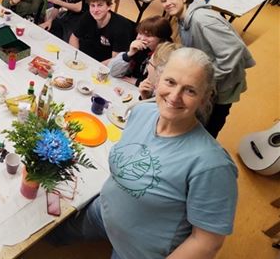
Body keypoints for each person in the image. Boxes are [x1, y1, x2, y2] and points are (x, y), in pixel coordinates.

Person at [49, 47, 238, 259]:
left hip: (137, 252)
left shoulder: (212, 165)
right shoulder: (142, 112)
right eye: (170, 82)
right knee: (50, 234)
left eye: (190, 90)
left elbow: (206, 243)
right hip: (102, 211)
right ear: (158, 80)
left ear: (204, 98)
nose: (175, 96)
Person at [156, 0, 256, 138]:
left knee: (209, 127)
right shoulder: (183, 19)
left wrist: (205, 81)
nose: (167, 3)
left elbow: (233, 49)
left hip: (222, 87)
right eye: (163, 0)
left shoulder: (201, 19)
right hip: (210, 85)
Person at [69, 0, 135, 63]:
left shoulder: (121, 27)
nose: (95, 10)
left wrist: (95, 67)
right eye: (92, 5)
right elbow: (74, 37)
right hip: (85, 58)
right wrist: (75, 56)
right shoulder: (88, 16)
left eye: (100, 5)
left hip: (104, 64)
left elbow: (116, 60)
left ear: (109, 7)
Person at [109, 15, 172, 86]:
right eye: (140, 33)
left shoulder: (166, 57)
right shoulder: (140, 48)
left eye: (148, 36)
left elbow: (160, 86)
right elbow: (112, 72)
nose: (141, 38)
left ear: (162, 39)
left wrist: (137, 82)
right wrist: (128, 54)